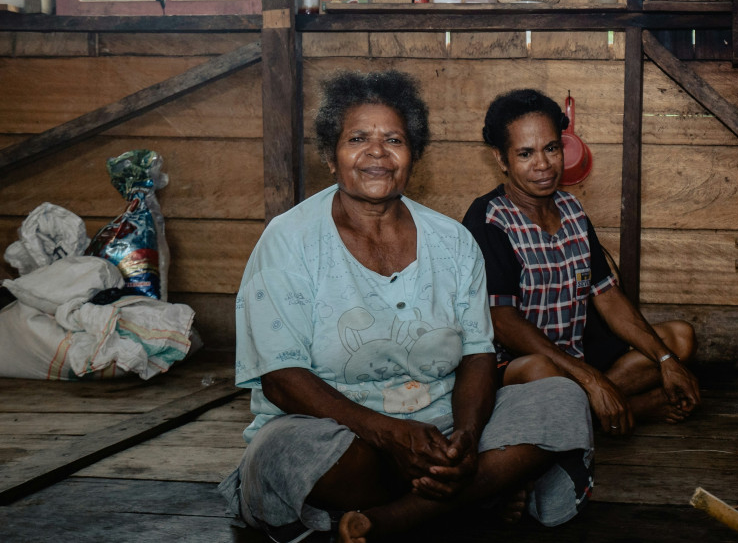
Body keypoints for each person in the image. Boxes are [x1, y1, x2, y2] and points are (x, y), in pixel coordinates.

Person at [218, 72, 594, 543]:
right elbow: (280, 377)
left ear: (413, 154)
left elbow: (478, 354)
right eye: (358, 139)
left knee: (560, 398)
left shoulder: (452, 241)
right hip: (338, 435)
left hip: (442, 430)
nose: (377, 153)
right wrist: (389, 434)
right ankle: (471, 493)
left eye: (394, 140)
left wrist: (467, 438)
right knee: (283, 451)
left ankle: (395, 518)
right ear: (331, 157)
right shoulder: (289, 240)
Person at [462, 88, 701, 437]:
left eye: (551, 148)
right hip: (518, 368)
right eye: (525, 153)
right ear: (501, 159)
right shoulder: (489, 218)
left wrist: (667, 361)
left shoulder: (572, 210)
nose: (543, 164)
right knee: (542, 372)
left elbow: (607, 296)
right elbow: (502, 321)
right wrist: (591, 380)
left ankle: (596, 408)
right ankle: (631, 408)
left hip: (576, 360)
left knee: (679, 339)